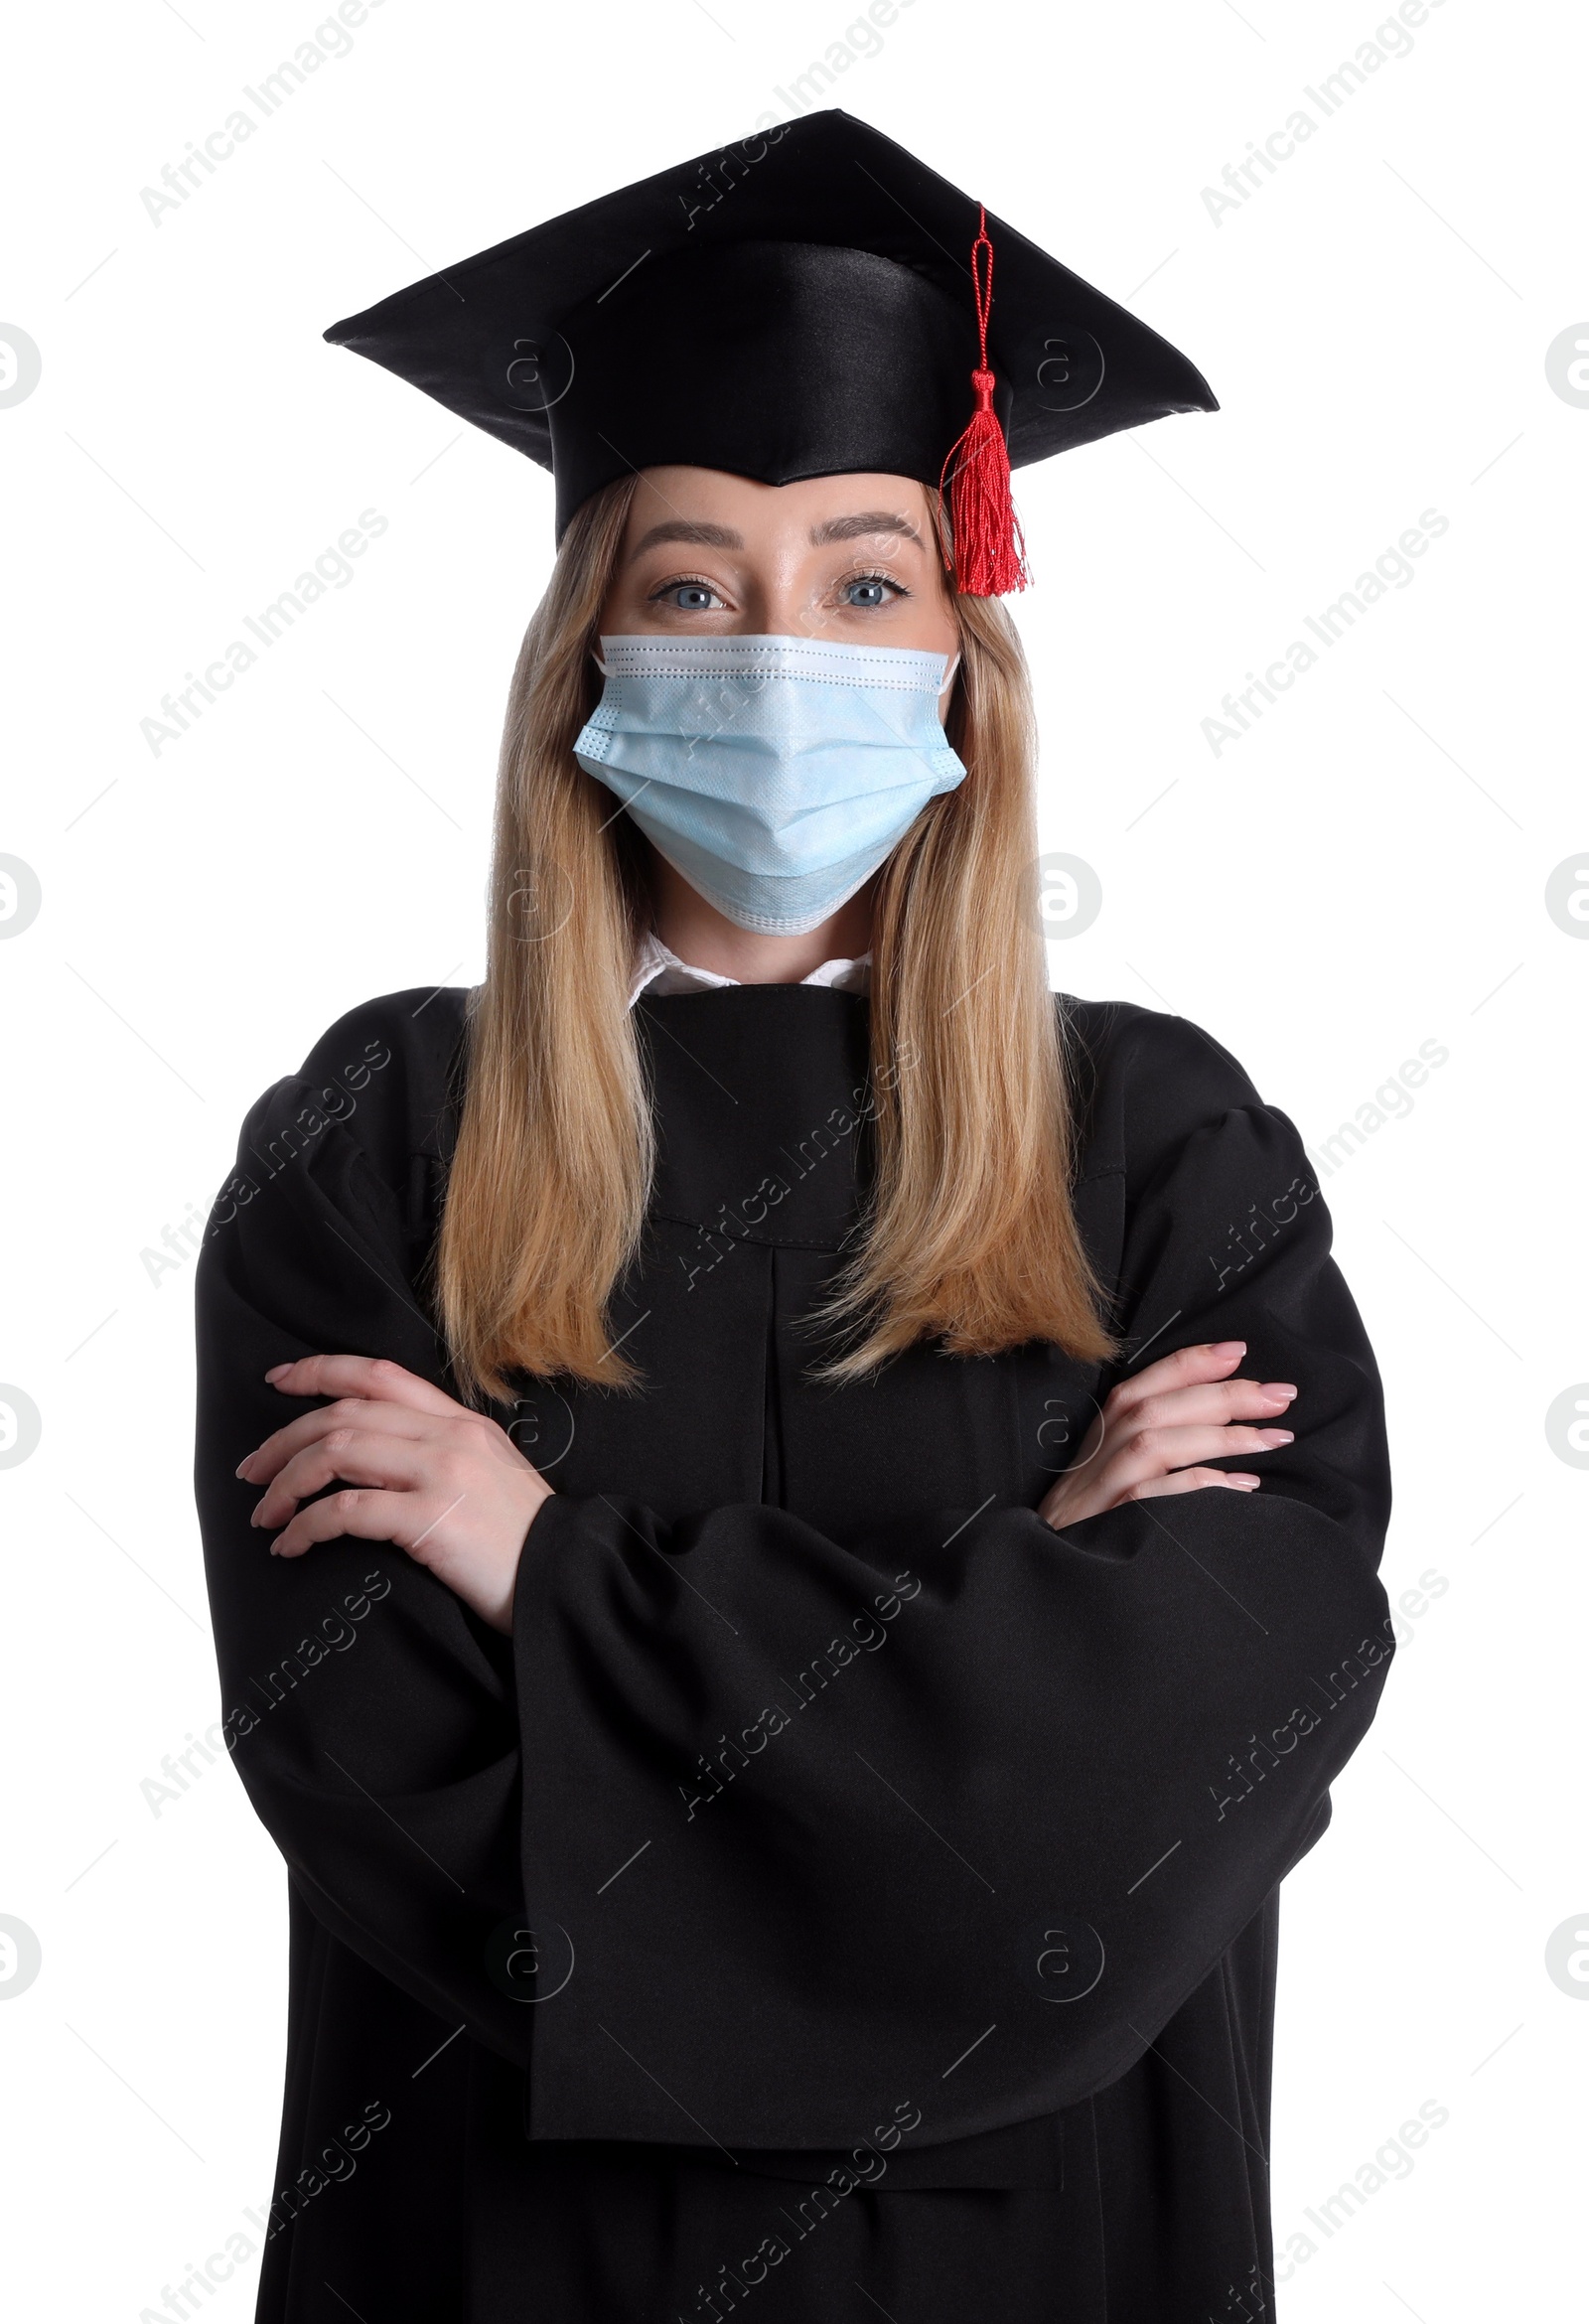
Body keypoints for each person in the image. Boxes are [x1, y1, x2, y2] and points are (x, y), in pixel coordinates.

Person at [194, 110, 1393, 2324]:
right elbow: (380, 1794)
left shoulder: (1155, 1147)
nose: (777, 650)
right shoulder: (377, 1140)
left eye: (862, 579)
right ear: (584, 657)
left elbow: (1161, 1807)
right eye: (689, 585)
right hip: (512, 2260)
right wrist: (1029, 1597)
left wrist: (545, 1569)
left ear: (960, 653)